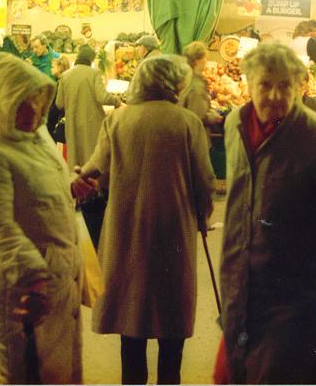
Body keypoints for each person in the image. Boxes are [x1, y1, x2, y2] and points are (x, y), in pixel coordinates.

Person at [216, 43, 316, 384]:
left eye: (285, 85)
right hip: (239, 292)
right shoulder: (234, 126)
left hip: (296, 302)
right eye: (265, 84)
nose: (274, 95)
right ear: (248, 84)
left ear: (300, 86)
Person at [79, 55, 215, 385]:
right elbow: (204, 181)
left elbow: (95, 168)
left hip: (127, 227)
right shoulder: (187, 122)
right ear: (173, 83)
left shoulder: (118, 120)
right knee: (172, 315)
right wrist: (203, 214)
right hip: (174, 229)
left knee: (133, 314)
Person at [0, 52, 88, 384]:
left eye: (37, 98)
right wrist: (32, 275)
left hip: (53, 281)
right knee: (23, 372)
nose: (34, 108)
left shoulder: (33, 138)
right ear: (1, 101)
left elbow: (36, 187)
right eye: (22, 100)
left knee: (55, 368)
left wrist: (70, 186)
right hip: (21, 290)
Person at [55, 45, 120, 246]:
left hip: (73, 124)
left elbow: (59, 104)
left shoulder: (65, 75)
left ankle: (80, 200)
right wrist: (117, 101)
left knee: (78, 160)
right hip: (93, 123)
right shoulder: (94, 73)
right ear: (91, 60)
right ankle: (96, 197)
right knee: (95, 158)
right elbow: (103, 97)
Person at [180, 41, 223, 130]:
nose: (206, 60)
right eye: (204, 58)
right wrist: (213, 117)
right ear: (196, 61)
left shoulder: (184, 77)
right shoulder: (196, 84)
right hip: (195, 137)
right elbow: (197, 117)